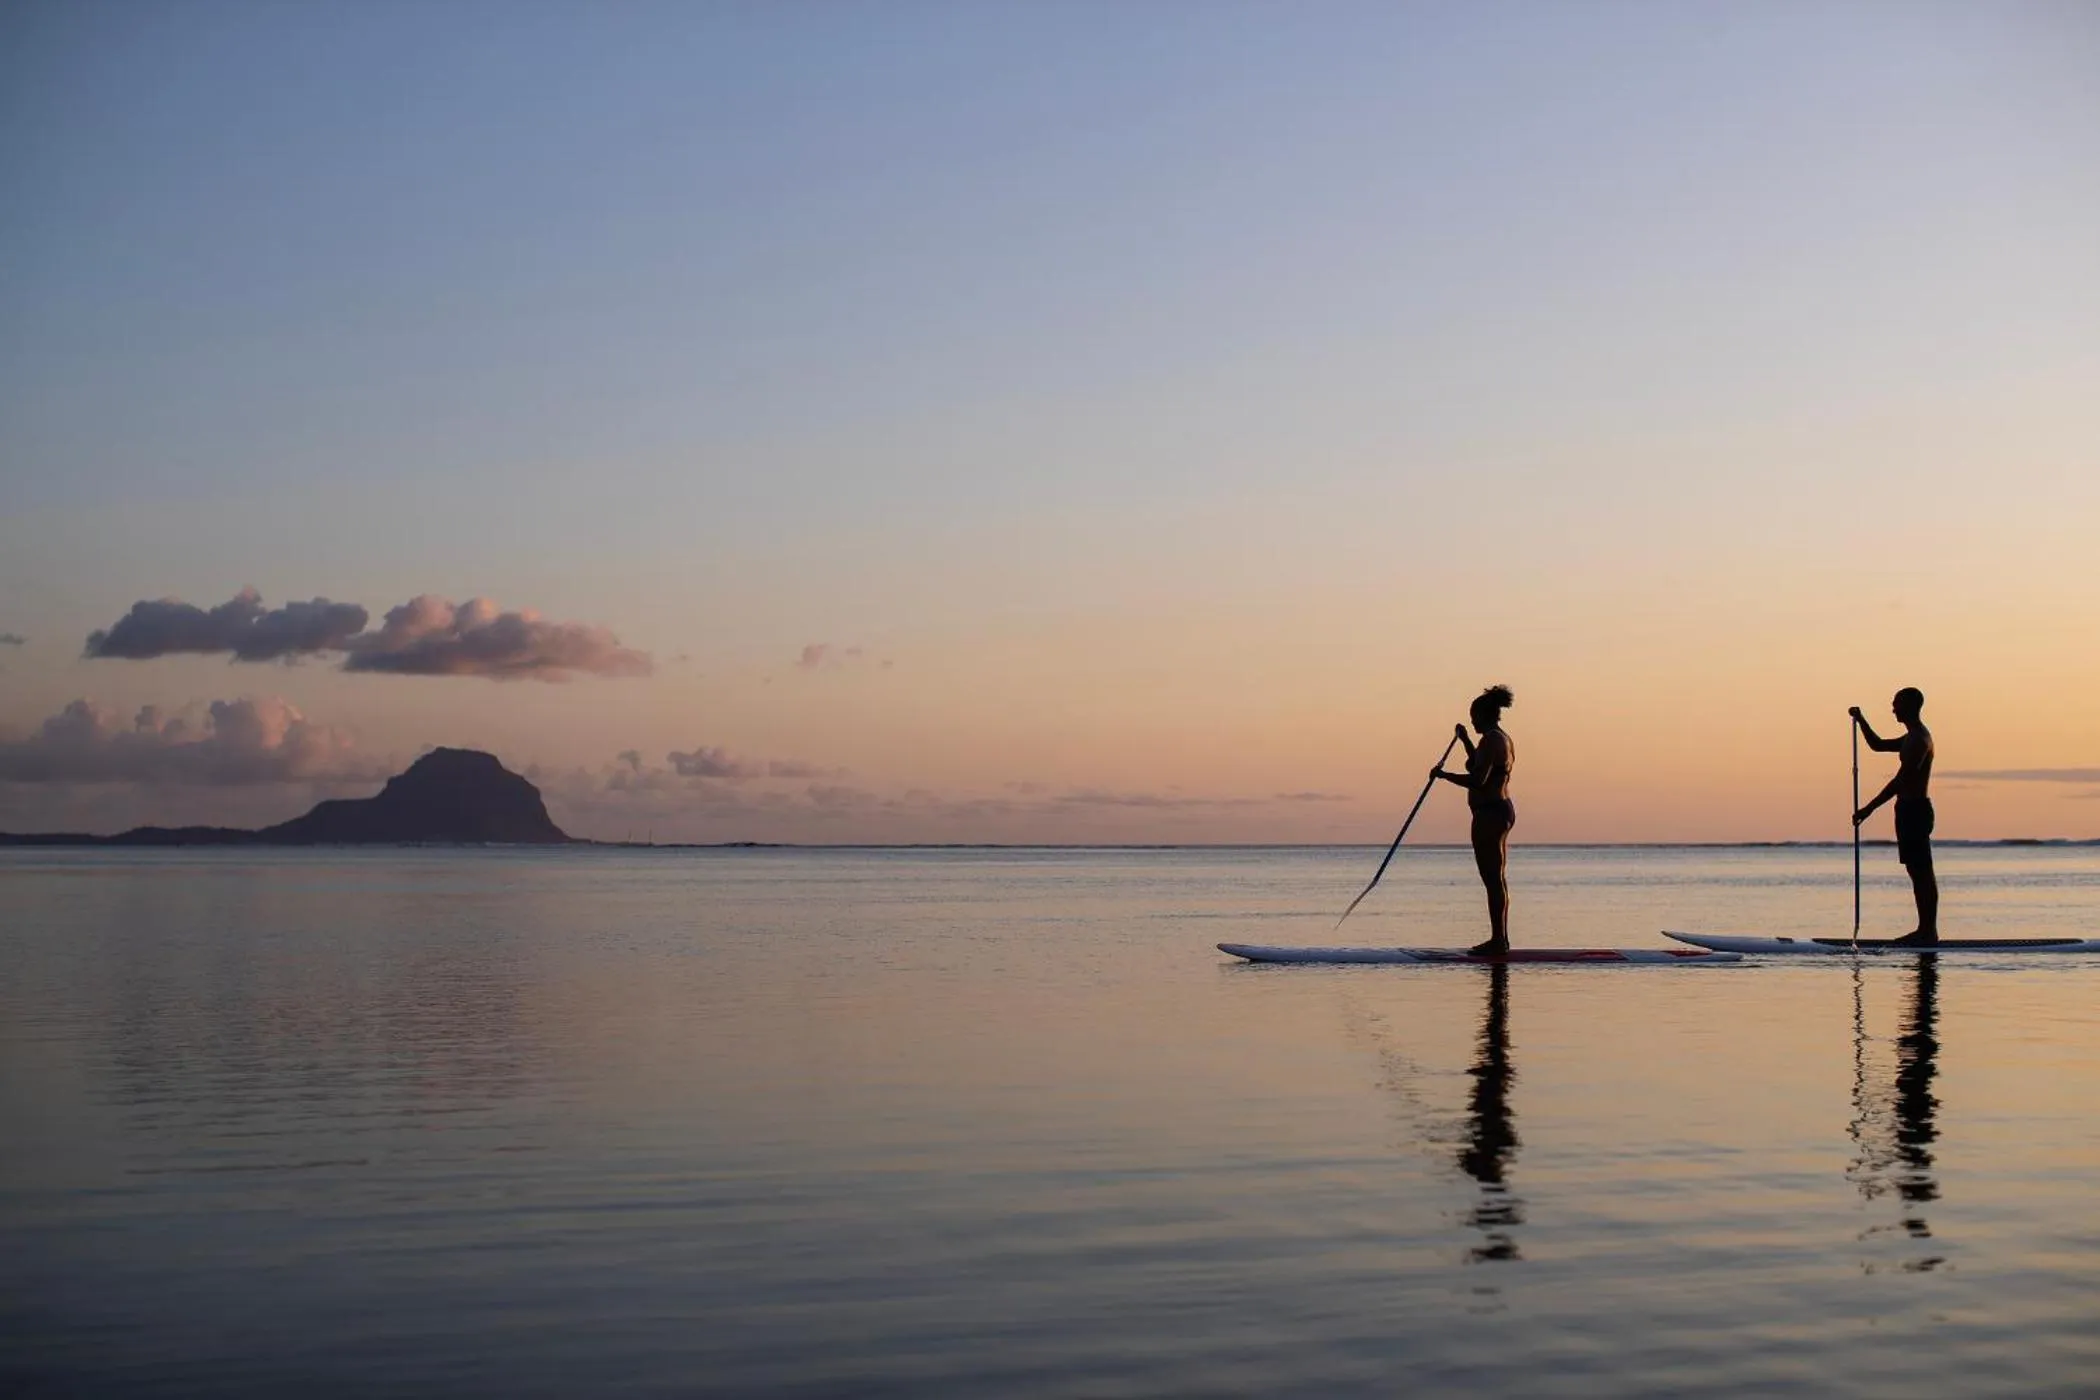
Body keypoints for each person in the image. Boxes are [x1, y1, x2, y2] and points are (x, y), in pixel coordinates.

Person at [1433, 684, 1516, 956]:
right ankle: (1500, 939)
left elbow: (1478, 780)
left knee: (1492, 878)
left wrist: (1444, 777)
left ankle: (1498, 940)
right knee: (1496, 878)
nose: (1472, 720)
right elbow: (1479, 764)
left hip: (1491, 814)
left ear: (1484, 714)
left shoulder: (1492, 740)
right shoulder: (1499, 738)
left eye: (1473, 716)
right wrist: (1466, 740)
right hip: (1498, 811)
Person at [1851, 687, 1937, 946]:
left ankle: (1927, 932)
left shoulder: (1919, 739)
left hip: (1915, 811)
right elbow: (1877, 745)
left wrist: (1869, 809)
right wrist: (1861, 719)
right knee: (1915, 871)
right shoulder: (1910, 737)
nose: (1893, 709)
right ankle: (1925, 930)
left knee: (1922, 873)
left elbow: (1902, 780)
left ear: (1911, 706)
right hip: (1907, 811)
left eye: (1897, 704)